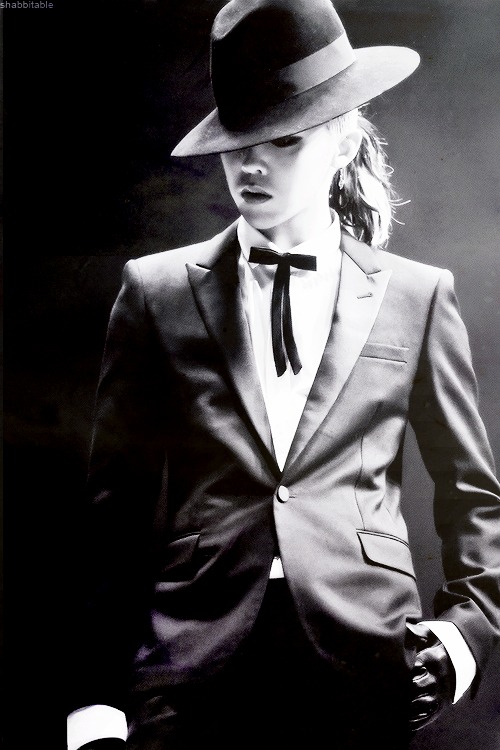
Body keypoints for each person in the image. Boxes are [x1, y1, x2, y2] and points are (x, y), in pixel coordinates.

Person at [66, 1, 500, 748]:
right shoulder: (155, 291)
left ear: (341, 141)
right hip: (192, 662)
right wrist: (95, 703)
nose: (252, 165)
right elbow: (114, 518)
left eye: (284, 139)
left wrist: (467, 632)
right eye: (238, 143)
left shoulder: (417, 295)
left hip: (366, 660)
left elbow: (472, 496)